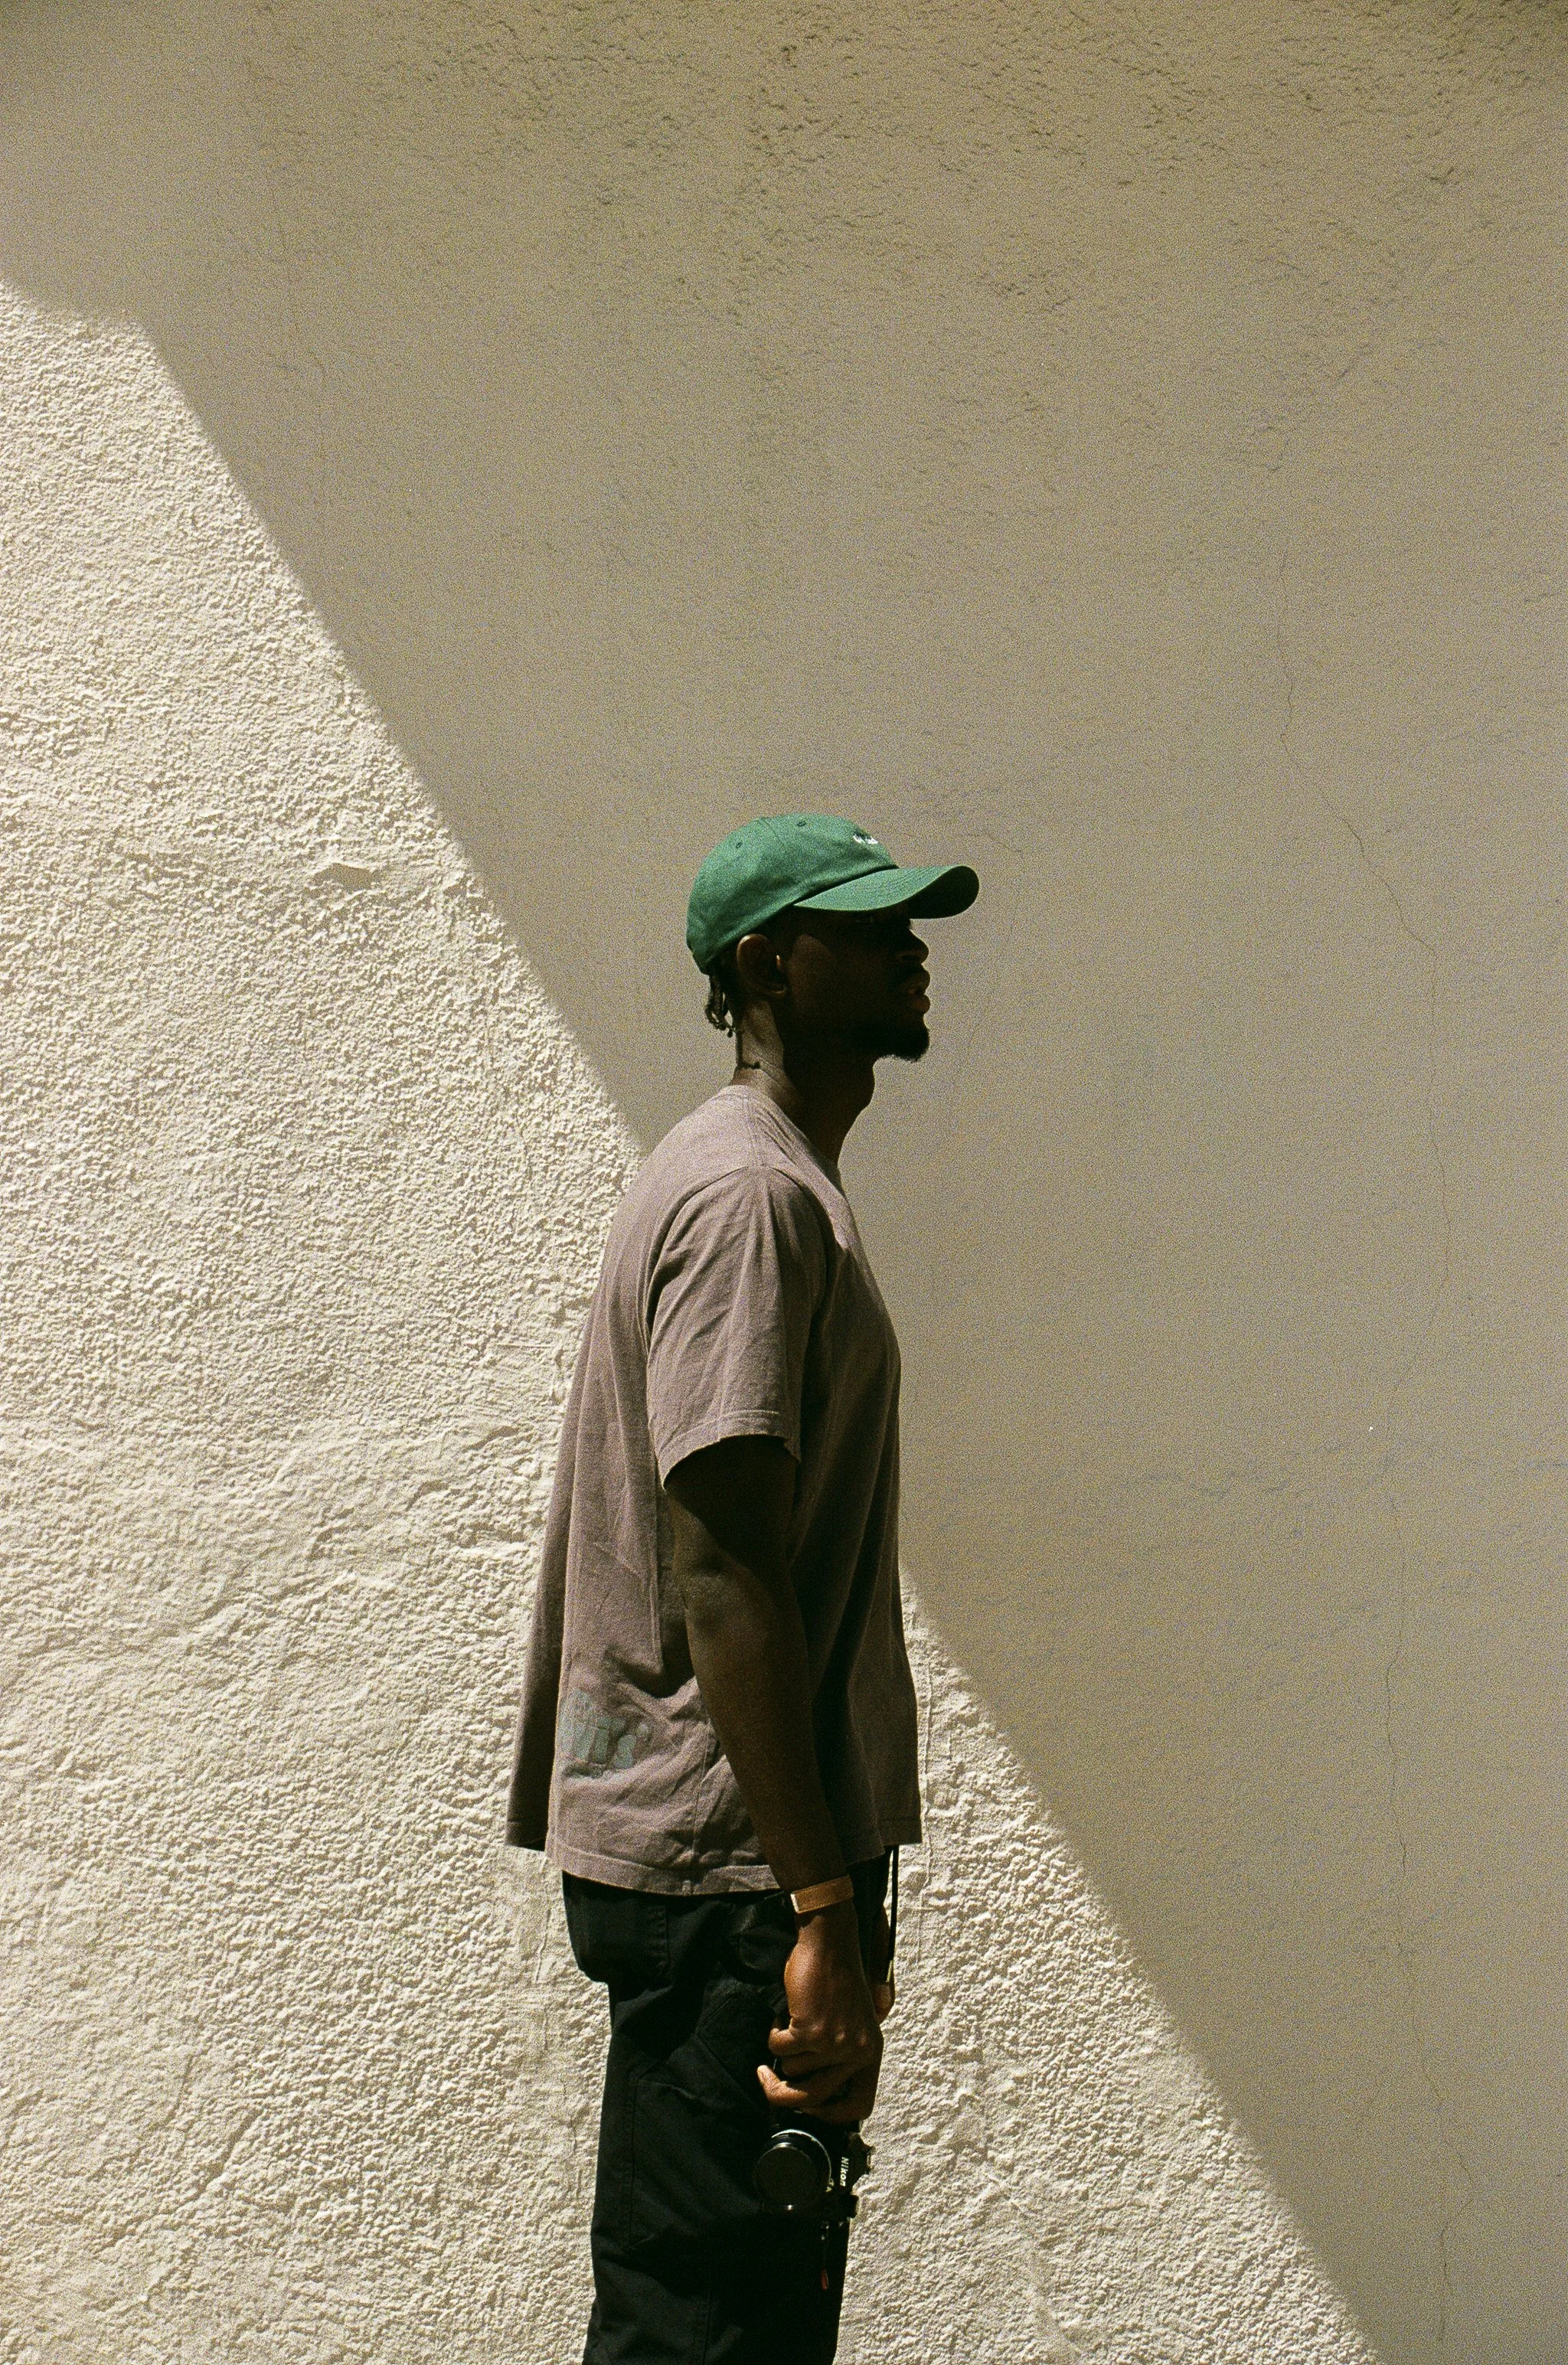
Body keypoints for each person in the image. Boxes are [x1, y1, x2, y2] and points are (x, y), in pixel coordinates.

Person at [505, 812, 978, 2363]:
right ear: (769, 964)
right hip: (735, 1880)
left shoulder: (764, 1183)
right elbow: (721, 1574)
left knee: (743, 2320)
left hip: (744, 1870)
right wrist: (820, 1906)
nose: (912, 946)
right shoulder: (747, 1203)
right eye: (871, 923)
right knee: (701, 2331)